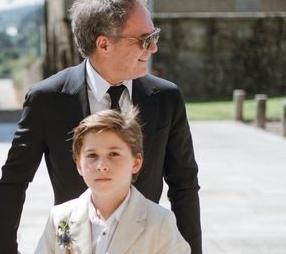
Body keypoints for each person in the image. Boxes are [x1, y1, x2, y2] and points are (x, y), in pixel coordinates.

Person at [0, 0, 201, 253]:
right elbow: (14, 184)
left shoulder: (166, 97)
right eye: (145, 40)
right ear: (104, 44)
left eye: (154, 37)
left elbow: (184, 184)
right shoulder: (47, 99)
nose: (154, 48)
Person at [35, 108, 190, 254]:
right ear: (79, 165)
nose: (101, 166)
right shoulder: (60, 218)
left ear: (136, 163)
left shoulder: (159, 222)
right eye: (92, 155)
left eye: (114, 154)